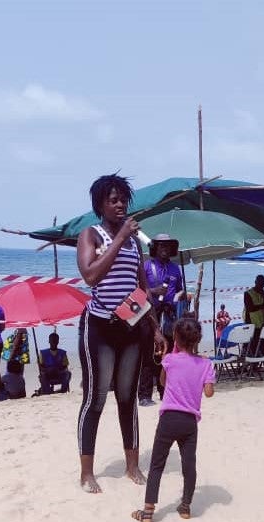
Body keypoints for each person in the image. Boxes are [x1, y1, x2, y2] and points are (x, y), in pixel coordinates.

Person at [76, 172, 165, 494]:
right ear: (100, 204)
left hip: (131, 325)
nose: (120, 205)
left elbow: (141, 288)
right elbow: (90, 276)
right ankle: (87, 472)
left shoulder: (132, 243)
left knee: (127, 398)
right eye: (113, 200)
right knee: (95, 399)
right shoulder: (91, 235)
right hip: (99, 326)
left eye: (123, 200)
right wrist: (118, 238)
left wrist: (154, 327)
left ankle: (131, 465)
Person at [131, 317, 215, 522]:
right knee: (189, 463)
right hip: (189, 422)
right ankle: (186, 506)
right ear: (198, 339)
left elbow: (162, 382)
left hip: (169, 418)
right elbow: (209, 392)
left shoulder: (169, 360)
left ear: (175, 337)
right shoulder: (206, 364)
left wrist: (172, 356)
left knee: (157, 464)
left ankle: (148, 510)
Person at [140, 233, 183, 406]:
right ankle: (144, 395)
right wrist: (154, 291)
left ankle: (165, 392)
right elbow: (140, 290)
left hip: (169, 315)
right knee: (149, 354)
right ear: (155, 248)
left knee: (168, 354)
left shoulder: (175, 268)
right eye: (161, 246)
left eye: (167, 246)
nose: (164, 249)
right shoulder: (147, 266)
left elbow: (179, 291)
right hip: (150, 313)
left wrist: (181, 300)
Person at [244, 274, 264, 353]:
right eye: (260, 282)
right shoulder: (248, 293)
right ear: (255, 282)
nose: (261, 285)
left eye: (263, 283)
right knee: (251, 346)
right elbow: (250, 308)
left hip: (262, 323)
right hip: (251, 323)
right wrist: (262, 305)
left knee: (260, 345)